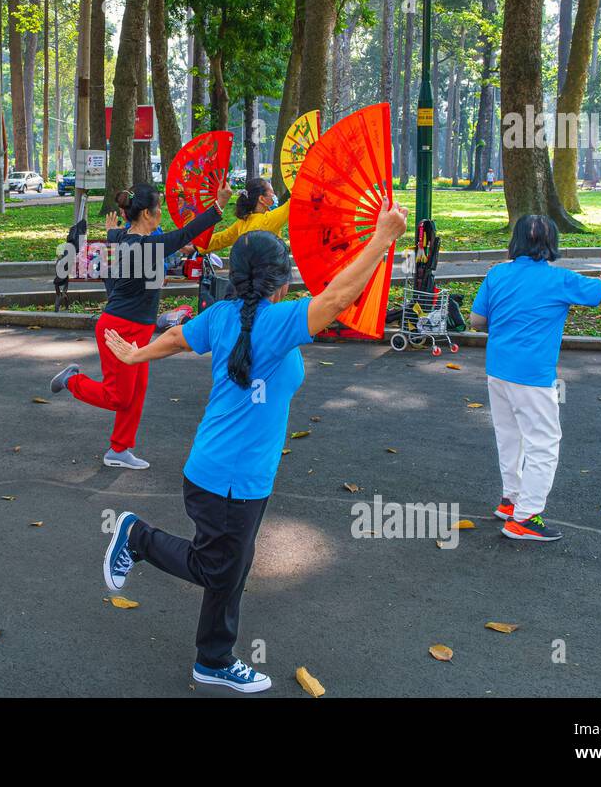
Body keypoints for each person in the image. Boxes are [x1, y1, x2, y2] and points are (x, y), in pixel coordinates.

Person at [97, 202, 408, 692]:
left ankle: (213, 658)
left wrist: (139, 352)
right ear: (280, 282)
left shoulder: (223, 316)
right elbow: (338, 298)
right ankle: (136, 537)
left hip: (235, 475)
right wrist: (382, 238)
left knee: (233, 569)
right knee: (217, 567)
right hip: (227, 480)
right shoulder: (277, 321)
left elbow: (178, 336)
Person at [469, 215, 601, 542]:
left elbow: (476, 321)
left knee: (510, 437)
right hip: (533, 376)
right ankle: (525, 518)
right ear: (552, 244)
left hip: (498, 371)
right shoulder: (561, 280)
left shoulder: (497, 273)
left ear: (516, 241)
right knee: (544, 444)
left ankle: (511, 501)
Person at [49, 181, 231, 469]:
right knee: (118, 397)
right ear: (147, 213)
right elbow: (186, 233)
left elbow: (131, 248)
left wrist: (114, 234)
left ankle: (119, 450)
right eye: (158, 209)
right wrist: (218, 206)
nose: (161, 214)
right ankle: (72, 381)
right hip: (119, 328)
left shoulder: (125, 237)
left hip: (137, 328)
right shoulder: (144, 245)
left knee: (136, 392)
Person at [199, 177, 288, 254]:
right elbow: (293, 203)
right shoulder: (270, 219)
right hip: (271, 272)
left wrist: (195, 247)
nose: (274, 197)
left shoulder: (242, 223)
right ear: (261, 199)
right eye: (272, 193)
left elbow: (220, 239)